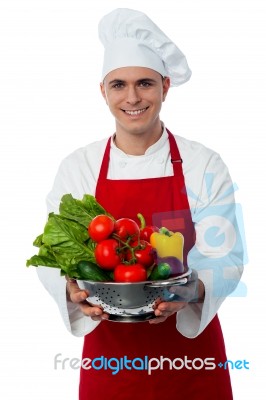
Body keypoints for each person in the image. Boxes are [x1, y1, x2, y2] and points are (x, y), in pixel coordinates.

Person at [36, 8, 244, 400]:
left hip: (191, 362)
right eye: (119, 85)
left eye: (145, 83)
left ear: (165, 86)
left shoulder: (203, 164)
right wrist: (71, 289)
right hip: (109, 361)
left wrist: (194, 288)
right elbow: (52, 256)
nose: (132, 98)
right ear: (103, 91)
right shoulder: (78, 168)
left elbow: (226, 257)